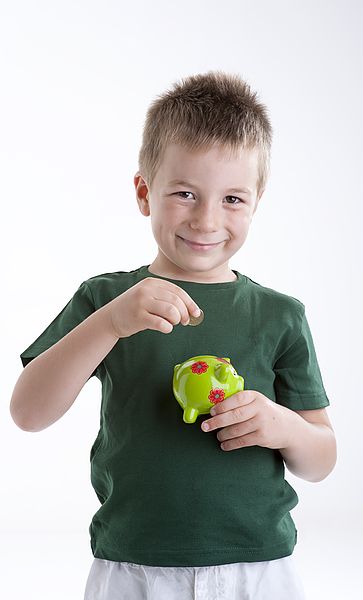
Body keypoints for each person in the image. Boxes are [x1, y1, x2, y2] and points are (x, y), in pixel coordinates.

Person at [10, 70, 337, 600]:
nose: (207, 220)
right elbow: (28, 412)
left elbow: (321, 459)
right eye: (185, 193)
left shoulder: (281, 315)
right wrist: (111, 323)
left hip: (258, 568)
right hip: (133, 567)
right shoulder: (106, 300)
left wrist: (282, 426)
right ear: (144, 191)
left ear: (257, 200)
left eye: (232, 199)